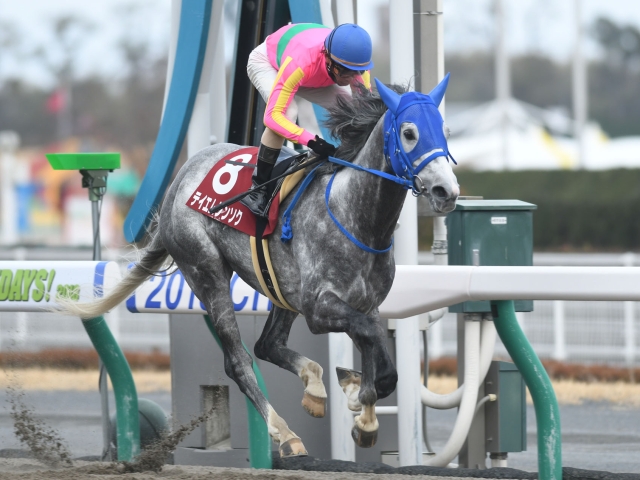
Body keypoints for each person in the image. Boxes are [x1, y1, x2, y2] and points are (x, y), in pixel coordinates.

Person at [242, 22, 374, 217]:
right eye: (346, 71)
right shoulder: (302, 61)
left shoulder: (357, 67)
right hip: (270, 64)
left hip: (312, 75)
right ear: (328, 58)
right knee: (288, 112)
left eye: (357, 72)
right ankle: (258, 188)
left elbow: (365, 115)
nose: (351, 78)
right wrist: (312, 141)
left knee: (355, 112)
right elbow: (272, 117)